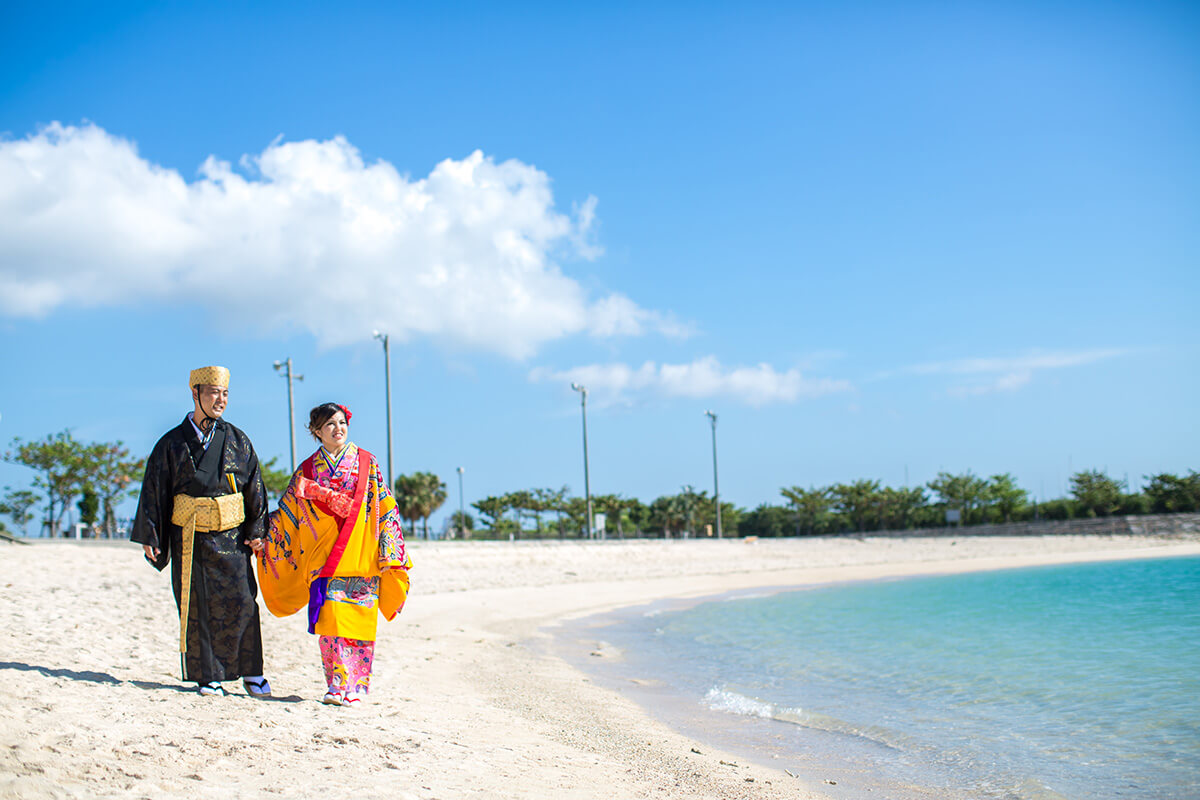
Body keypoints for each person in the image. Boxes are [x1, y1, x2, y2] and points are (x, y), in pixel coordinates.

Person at [256, 402, 411, 707]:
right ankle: (336, 683)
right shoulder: (307, 470)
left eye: (342, 423)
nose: (338, 429)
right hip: (323, 555)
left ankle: (356, 685)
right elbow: (289, 512)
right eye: (330, 425)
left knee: (358, 620)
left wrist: (389, 549)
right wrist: (263, 532)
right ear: (316, 431)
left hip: (361, 552)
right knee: (331, 623)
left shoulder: (367, 462)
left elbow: (385, 506)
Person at [131, 366, 272, 698]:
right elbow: (155, 490)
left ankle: (252, 672)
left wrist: (257, 529)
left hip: (232, 538)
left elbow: (255, 487)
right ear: (195, 393)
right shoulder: (171, 444)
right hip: (189, 538)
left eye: (224, 394)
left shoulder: (238, 440)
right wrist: (152, 535)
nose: (220, 400)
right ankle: (208, 676)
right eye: (213, 393)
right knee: (197, 605)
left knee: (243, 602)